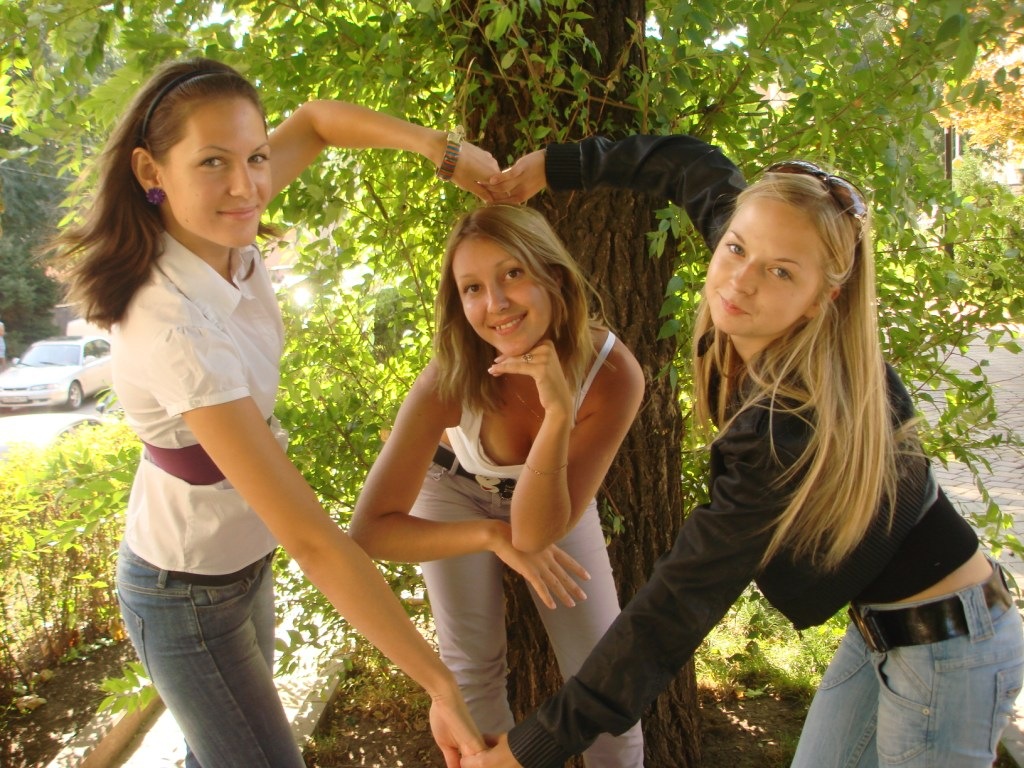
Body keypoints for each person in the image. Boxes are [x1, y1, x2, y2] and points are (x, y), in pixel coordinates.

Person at [459, 134, 1024, 768]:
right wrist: (552, 166)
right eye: (735, 247)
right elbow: (685, 166)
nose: (740, 279)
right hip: (885, 631)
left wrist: (531, 747)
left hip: (949, 655)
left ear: (823, 297)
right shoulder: (759, 243)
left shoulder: (788, 429)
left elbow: (674, 609)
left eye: (780, 271)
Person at [51, 56, 501, 768]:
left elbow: (318, 122)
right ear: (150, 170)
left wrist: (440, 150)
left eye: (257, 156)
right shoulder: (174, 324)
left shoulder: (220, 221)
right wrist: (440, 683)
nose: (247, 186)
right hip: (184, 591)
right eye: (212, 162)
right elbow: (315, 541)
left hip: (240, 559)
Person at [348, 203, 646, 767]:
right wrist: (489, 535)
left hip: (554, 498)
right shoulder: (449, 375)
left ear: (554, 275)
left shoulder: (611, 372)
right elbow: (369, 532)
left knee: (604, 677)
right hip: (453, 489)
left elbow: (535, 533)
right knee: (471, 671)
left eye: (513, 273)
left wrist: (558, 414)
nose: (496, 304)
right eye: (473, 288)